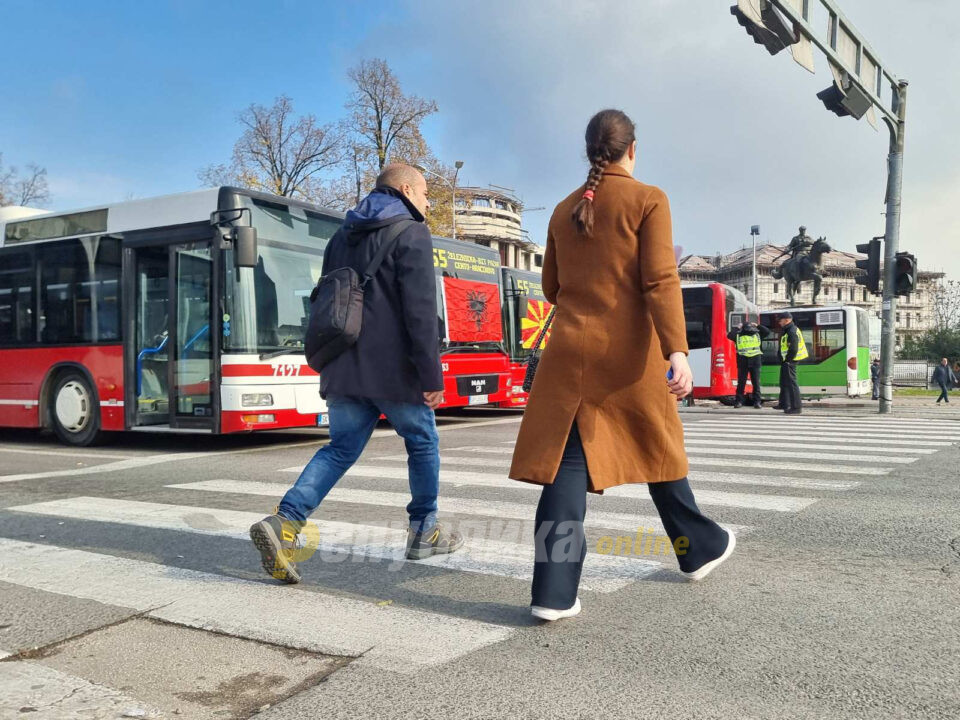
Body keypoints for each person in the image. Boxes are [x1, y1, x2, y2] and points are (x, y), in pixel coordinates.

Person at [509, 109, 735, 622]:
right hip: (630, 354)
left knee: (565, 471)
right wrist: (677, 350)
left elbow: (550, 288)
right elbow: (659, 280)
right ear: (632, 148)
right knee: (658, 448)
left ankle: (553, 592)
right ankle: (697, 548)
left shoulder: (565, 208)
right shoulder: (648, 199)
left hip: (569, 354)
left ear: (591, 152)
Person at [249, 164, 463, 584]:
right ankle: (424, 531)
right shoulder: (411, 232)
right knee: (422, 442)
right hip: (394, 373)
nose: (426, 203)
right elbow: (420, 312)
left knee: (340, 449)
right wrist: (431, 376)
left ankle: (285, 522)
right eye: (424, 195)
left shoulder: (340, 235)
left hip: (343, 365)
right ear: (405, 189)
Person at [726, 321, 771, 408]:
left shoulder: (738, 335)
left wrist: (738, 327)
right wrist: (757, 325)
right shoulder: (757, 334)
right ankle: (757, 402)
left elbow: (730, 335)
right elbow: (767, 331)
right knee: (754, 383)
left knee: (743, 383)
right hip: (752, 361)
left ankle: (739, 402)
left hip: (745, 361)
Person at [776, 311, 807, 415]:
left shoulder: (791, 331)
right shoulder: (788, 329)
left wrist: (788, 360)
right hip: (787, 361)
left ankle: (796, 408)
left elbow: (793, 348)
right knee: (784, 383)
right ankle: (785, 404)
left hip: (790, 361)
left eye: (780, 320)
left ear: (787, 320)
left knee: (792, 384)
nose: (779, 322)